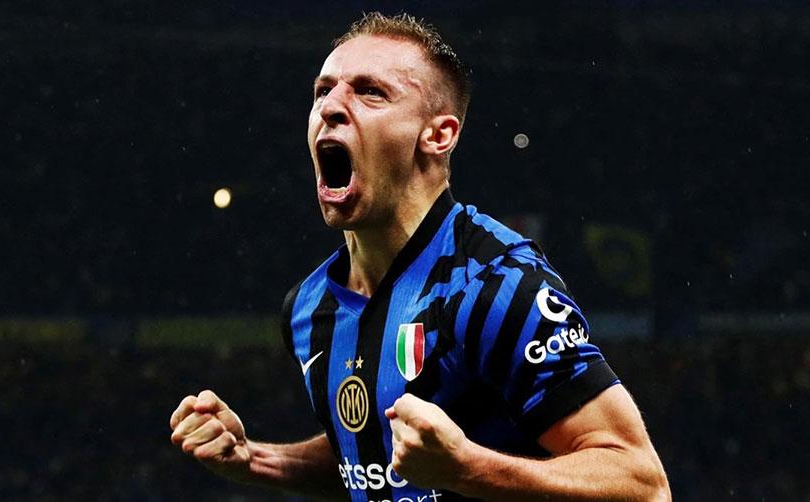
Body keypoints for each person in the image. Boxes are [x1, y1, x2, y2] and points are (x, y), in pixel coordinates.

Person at [170, 12, 670, 501]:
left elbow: (642, 483)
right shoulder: (308, 307)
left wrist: (467, 469)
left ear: (437, 135)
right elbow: (370, 457)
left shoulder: (497, 284)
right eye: (322, 91)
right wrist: (255, 460)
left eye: (370, 92)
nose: (331, 107)